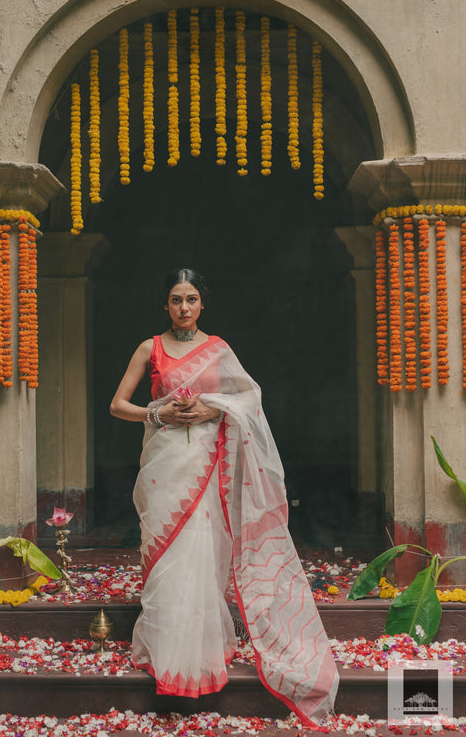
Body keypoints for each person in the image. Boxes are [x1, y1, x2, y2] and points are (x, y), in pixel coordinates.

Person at [110, 268, 338, 728]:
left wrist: (211, 406)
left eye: (191, 299)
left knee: (202, 552)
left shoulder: (218, 348)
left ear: (202, 303)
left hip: (206, 462)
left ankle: (202, 650)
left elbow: (250, 397)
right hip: (165, 465)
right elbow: (118, 405)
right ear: (165, 304)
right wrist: (159, 414)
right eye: (176, 299)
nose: (184, 307)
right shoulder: (149, 348)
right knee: (167, 552)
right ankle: (167, 649)